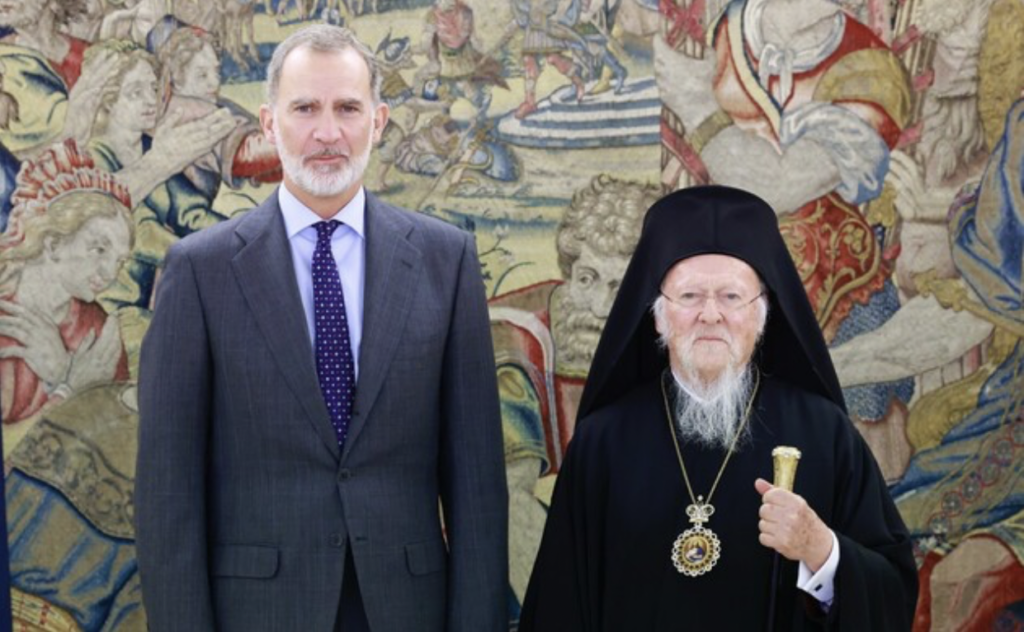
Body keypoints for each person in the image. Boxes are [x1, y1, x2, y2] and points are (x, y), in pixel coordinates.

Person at [134, 24, 508, 632]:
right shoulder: (199, 272)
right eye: (305, 108)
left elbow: (478, 488)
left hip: (408, 611)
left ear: (379, 122)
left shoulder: (448, 261)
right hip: (257, 614)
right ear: (269, 123)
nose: (328, 132)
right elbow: (167, 496)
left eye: (348, 108)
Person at [519, 185, 917, 631]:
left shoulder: (825, 433)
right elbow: (559, 605)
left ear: (763, 314)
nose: (710, 315)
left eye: (731, 297)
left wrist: (820, 549)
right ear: (657, 314)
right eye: (689, 297)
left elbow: (893, 594)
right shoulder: (601, 442)